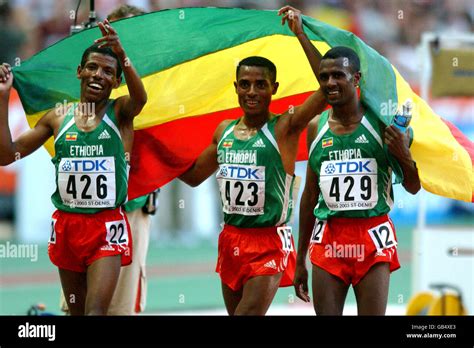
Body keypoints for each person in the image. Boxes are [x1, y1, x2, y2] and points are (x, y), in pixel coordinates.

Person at [178, 7, 326, 315]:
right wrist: (151, 153)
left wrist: (300, 33)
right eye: (244, 84)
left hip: (269, 240)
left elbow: (326, 89)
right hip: (231, 238)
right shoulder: (225, 131)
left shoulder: (284, 127)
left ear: (274, 89)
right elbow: (192, 176)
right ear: (235, 88)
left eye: (261, 84)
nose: (252, 91)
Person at [0, 19, 147, 315]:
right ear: (79, 72)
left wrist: (123, 55)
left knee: (95, 313)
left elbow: (141, 98)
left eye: (108, 71)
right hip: (68, 226)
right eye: (92, 67)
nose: (98, 75)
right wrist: (3, 98)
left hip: (106, 227)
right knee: (76, 313)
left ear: (116, 82)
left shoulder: (120, 112)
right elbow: (8, 155)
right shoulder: (58, 117)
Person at [290, 7, 421, 315]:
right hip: (329, 239)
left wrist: (403, 154)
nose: (330, 83)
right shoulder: (316, 127)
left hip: (373, 235)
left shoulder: (383, 125)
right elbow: (310, 194)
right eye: (324, 77)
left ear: (357, 78)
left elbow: (413, 186)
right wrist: (299, 260)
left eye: (339, 75)